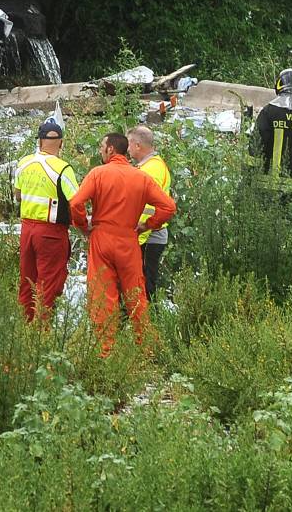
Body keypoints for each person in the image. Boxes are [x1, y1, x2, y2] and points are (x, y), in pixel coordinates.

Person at [69, 133, 177, 356]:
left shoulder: (98, 174)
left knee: (102, 294)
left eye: (101, 146)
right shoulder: (141, 178)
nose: (100, 150)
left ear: (110, 149)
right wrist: (148, 225)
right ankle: (146, 349)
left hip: (102, 239)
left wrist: (83, 227)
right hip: (129, 240)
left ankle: (105, 350)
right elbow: (168, 207)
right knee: (136, 295)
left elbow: (76, 203)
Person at [14, 120, 79, 321]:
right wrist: (83, 227)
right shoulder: (62, 168)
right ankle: (42, 331)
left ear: (40, 141)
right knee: (49, 281)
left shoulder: (23, 163)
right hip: (51, 232)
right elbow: (76, 201)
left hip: (27, 230)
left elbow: (17, 195)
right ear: (61, 143)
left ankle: (25, 324)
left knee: (27, 279)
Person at [126, 125, 172, 301]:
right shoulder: (149, 166)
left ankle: (148, 321)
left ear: (138, 146)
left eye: (130, 144)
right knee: (143, 282)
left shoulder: (150, 170)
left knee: (145, 284)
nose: (128, 149)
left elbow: (148, 209)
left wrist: (137, 235)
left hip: (149, 234)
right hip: (149, 233)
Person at [254, 68, 292, 183]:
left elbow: (256, 145)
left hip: (268, 184)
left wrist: (248, 177)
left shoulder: (268, 111)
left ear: (279, 85)